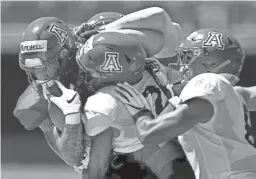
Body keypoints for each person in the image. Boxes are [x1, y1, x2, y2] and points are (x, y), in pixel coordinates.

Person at [14, 11, 164, 177]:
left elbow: (163, 39)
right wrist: (69, 120)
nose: (41, 76)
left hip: (159, 118)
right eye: (34, 70)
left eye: (45, 66)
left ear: (64, 54)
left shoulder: (97, 44)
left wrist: (112, 29)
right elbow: (74, 158)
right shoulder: (46, 97)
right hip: (121, 153)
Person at [114, 28, 256, 179]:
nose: (183, 64)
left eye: (189, 56)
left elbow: (150, 134)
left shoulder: (208, 81)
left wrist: (141, 113)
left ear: (211, 63)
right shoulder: (233, 95)